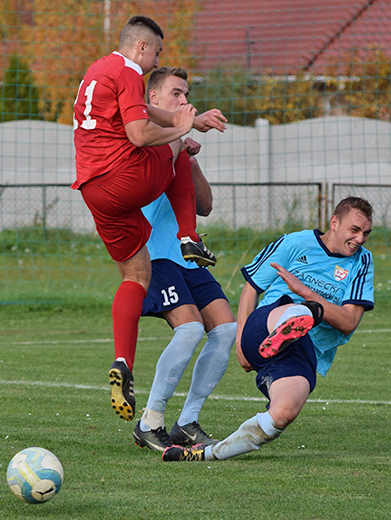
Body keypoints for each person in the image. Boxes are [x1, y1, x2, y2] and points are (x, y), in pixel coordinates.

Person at [72, 16, 227, 422]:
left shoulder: (96, 70)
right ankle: (188, 235)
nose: (158, 57)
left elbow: (146, 118)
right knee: (178, 147)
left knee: (133, 276)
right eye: (157, 50)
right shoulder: (127, 71)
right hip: (122, 178)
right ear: (142, 47)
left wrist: (187, 123)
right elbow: (140, 134)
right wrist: (184, 129)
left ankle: (122, 361)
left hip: (95, 192)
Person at [162, 197, 375, 461]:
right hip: (264, 325)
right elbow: (252, 288)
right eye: (354, 230)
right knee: (298, 308)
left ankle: (208, 454)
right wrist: (240, 343)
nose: (361, 239)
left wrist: (306, 291)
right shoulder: (296, 243)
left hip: (304, 352)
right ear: (334, 223)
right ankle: (295, 319)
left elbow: (348, 323)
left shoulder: (362, 263)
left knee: (284, 413)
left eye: (366, 233)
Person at [131, 67, 237, 451]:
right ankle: (151, 420)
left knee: (225, 331)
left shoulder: (180, 148)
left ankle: (187, 422)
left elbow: (205, 206)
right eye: (176, 94)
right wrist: (178, 140)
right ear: (154, 100)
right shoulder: (142, 138)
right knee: (190, 330)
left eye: (186, 94)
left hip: (188, 258)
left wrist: (190, 162)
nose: (184, 101)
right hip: (155, 255)